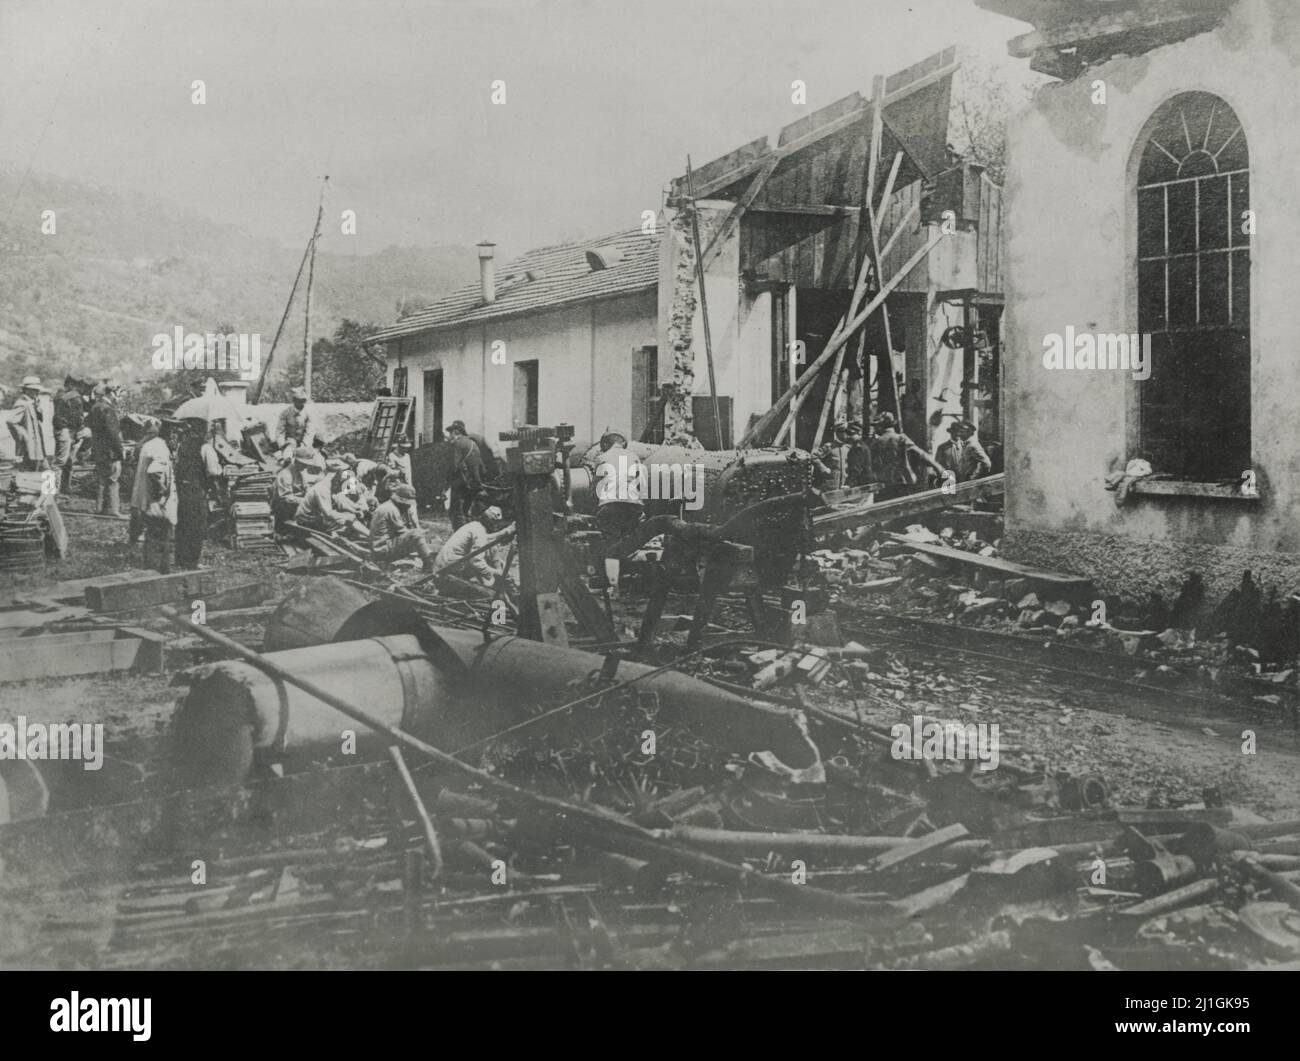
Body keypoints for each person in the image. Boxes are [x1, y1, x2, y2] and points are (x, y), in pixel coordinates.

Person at [592, 431, 645, 591]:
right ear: (622, 443)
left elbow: (595, 487)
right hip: (633, 505)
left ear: (606, 445)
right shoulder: (634, 457)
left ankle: (612, 587)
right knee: (627, 542)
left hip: (611, 504)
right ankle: (626, 580)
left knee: (610, 545)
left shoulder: (602, 458)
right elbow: (641, 484)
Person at [867, 412, 951, 501]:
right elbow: (920, 455)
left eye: (876, 426)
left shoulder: (875, 443)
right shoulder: (900, 439)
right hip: (902, 483)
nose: (875, 429)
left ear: (881, 426)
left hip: (883, 485)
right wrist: (939, 468)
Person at [431, 506, 511, 587]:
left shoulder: (475, 526)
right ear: (491, 523)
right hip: (447, 571)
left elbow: (489, 538)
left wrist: (506, 532)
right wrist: (494, 573)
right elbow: (476, 562)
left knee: (492, 555)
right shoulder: (480, 533)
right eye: (495, 524)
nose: (496, 527)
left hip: (442, 566)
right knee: (486, 560)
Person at [370, 483, 436, 572]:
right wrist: (420, 534)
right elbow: (403, 532)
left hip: (380, 547)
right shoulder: (391, 509)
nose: (408, 506)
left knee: (417, 535)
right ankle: (429, 562)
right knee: (416, 534)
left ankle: (428, 557)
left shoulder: (388, 506)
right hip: (382, 550)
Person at [173, 418, 211, 569]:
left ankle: (180, 558)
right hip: (197, 489)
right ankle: (192, 561)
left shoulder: (182, 445)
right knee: (196, 525)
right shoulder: (205, 447)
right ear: (203, 430)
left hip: (182, 488)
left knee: (183, 523)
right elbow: (213, 470)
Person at [129, 417, 171, 549]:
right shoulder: (159, 446)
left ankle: (134, 537)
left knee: (140, 508)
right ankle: (151, 541)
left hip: (143, 482)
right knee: (152, 512)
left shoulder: (148, 444)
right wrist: (162, 487)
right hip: (152, 485)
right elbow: (156, 471)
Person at [87, 383, 125, 516]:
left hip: (99, 448)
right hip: (110, 451)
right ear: (111, 393)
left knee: (102, 479)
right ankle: (114, 510)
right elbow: (113, 434)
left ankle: (99, 508)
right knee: (114, 480)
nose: (118, 398)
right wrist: (120, 452)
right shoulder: (108, 409)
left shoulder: (95, 407)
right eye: (118, 394)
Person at [140, 441, 178, 574]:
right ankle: (154, 569)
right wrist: (161, 490)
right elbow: (153, 471)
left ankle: (163, 569)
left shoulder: (165, 449)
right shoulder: (161, 450)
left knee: (164, 537)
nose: (175, 439)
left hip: (161, 504)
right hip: (159, 504)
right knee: (157, 535)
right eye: (173, 434)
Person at [273, 446, 325, 530]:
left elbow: (305, 487)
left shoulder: (299, 472)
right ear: (297, 461)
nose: (306, 467)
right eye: (304, 464)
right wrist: (306, 501)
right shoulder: (285, 475)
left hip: (295, 506)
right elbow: (286, 498)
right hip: (285, 511)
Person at [446, 420, 484, 529]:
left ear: (456, 432)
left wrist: (448, 482)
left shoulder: (457, 444)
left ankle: (460, 534)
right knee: (468, 511)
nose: (450, 436)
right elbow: (482, 466)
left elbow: (454, 465)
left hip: (460, 484)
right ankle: (469, 533)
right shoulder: (473, 444)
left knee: (457, 511)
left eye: (451, 433)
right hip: (474, 484)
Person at [52, 375, 85, 494]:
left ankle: (63, 489)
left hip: (66, 430)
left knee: (67, 461)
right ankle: (52, 490)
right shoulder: (73, 397)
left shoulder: (62, 396)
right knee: (60, 462)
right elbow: (78, 418)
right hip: (66, 430)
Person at [9, 376, 50, 472]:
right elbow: (11, 421)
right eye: (34, 390)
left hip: (36, 444)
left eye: (37, 390)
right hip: (29, 445)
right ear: (26, 390)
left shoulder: (31, 403)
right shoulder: (22, 403)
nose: (37, 393)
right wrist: (24, 435)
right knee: (32, 470)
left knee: (40, 469)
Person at [275, 386, 317, 460]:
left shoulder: (309, 413)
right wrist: (282, 445)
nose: (301, 403)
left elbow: (310, 431)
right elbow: (279, 431)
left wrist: (304, 445)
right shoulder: (286, 412)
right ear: (294, 400)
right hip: (290, 441)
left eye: (303, 400)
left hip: (304, 441)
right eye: (298, 400)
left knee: (307, 456)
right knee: (287, 454)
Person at [843, 422, 873, 488]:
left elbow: (856, 468)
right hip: (864, 483)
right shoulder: (859, 446)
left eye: (851, 434)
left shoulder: (859, 448)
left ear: (859, 434)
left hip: (861, 484)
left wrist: (849, 484)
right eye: (847, 434)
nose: (848, 436)